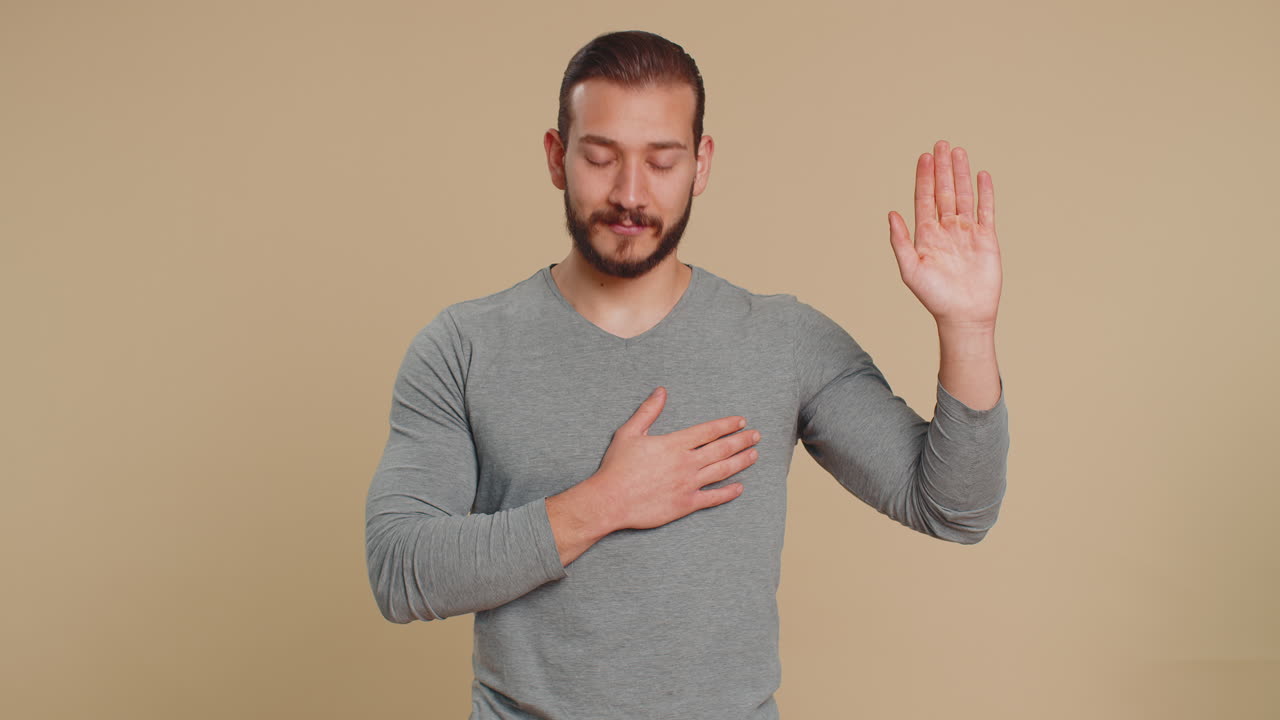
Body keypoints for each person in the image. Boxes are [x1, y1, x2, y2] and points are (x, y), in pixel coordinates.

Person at [365, 30, 1008, 720]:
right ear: (558, 157)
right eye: (601, 157)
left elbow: (954, 509)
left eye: (661, 161)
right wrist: (607, 502)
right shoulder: (463, 346)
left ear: (701, 164)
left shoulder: (783, 340)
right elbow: (402, 570)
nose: (629, 193)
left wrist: (967, 330)